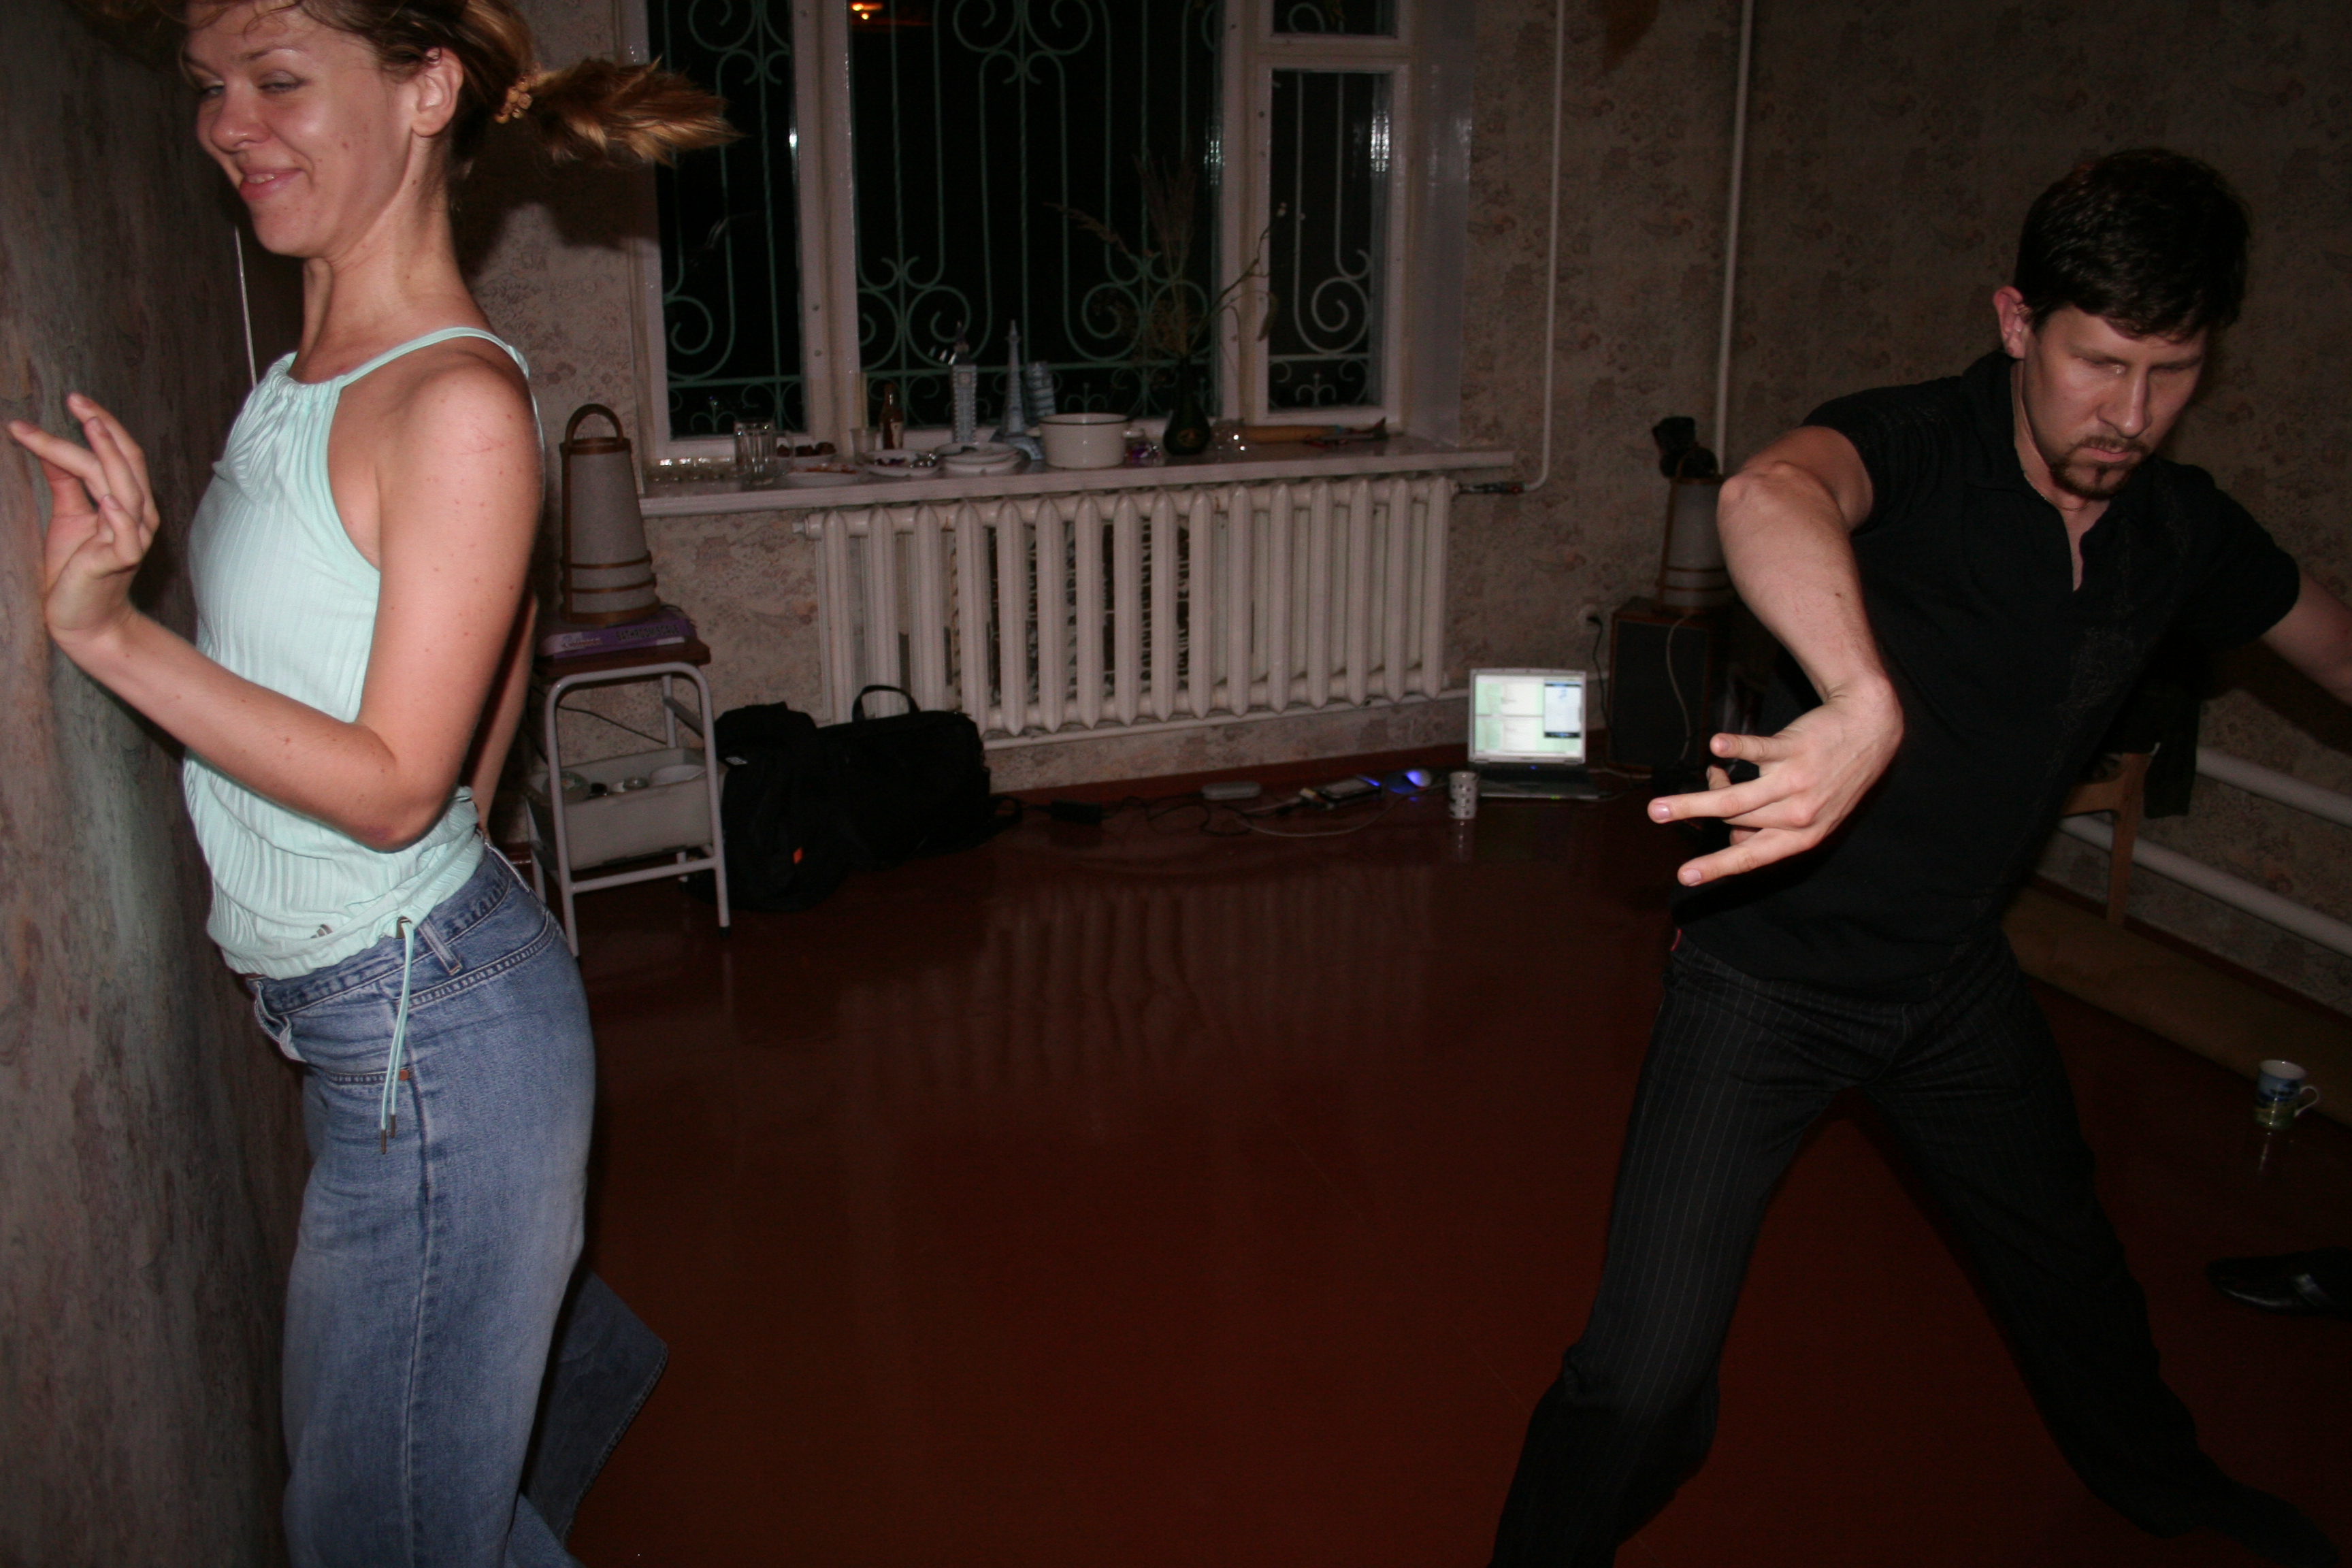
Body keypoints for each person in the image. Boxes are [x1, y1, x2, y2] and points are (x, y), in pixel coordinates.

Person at [1489, 149, 2352, 1567]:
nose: (2130, 415)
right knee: (1639, 1381)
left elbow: (2337, 646)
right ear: (2018, 322)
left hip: (1951, 984)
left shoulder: (2179, 527)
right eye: (2099, 363)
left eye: (2173, 372)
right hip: (1766, 981)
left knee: (2074, 1274)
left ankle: (2165, 1484)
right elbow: (1771, 492)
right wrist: (1860, 697)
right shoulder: (1917, 445)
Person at [7, 1, 729, 1561]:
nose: (228, 124)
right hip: (401, 1017)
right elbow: (495, 650)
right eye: (212, 86)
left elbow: (397, 789)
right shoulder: (311, 370)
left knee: (370, 1530)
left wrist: (107, 632)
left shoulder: (452, 407)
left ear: (427, 91)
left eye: (278, 80)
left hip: (430, 1042)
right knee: (398, 1510)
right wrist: (453, 847)